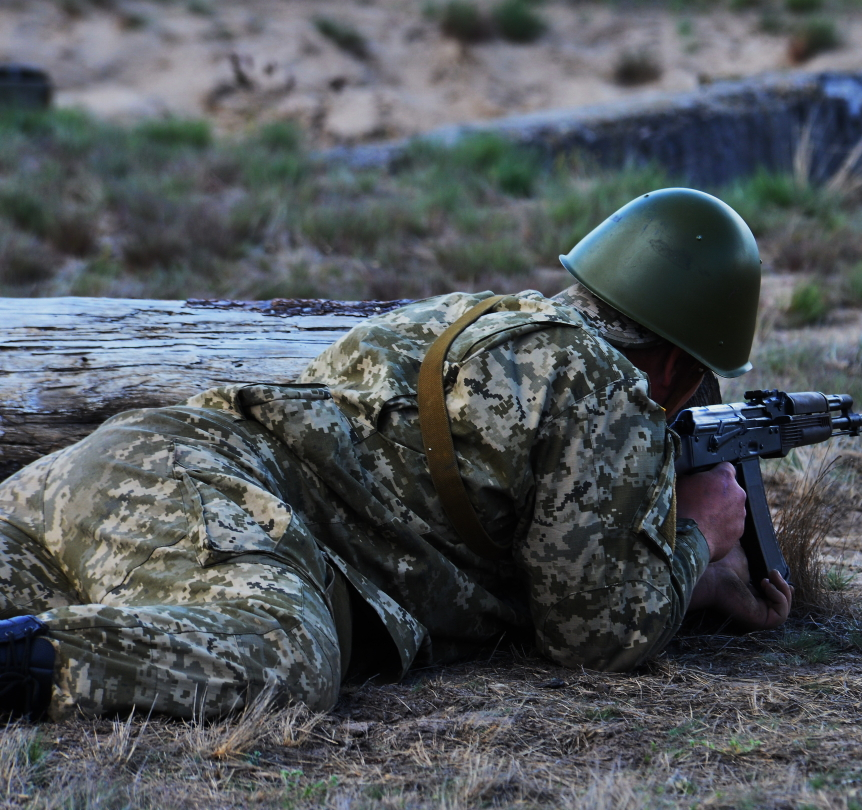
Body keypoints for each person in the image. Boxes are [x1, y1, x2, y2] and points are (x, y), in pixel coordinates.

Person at [0, 187, 792, 722]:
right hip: (212, 503)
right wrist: (699, 541)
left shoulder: (483, 318)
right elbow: (594, 636)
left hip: (112, 475)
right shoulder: (603, 383)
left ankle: (31, 636)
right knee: (287, 653)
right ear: (685, 369)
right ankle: (33, 660)